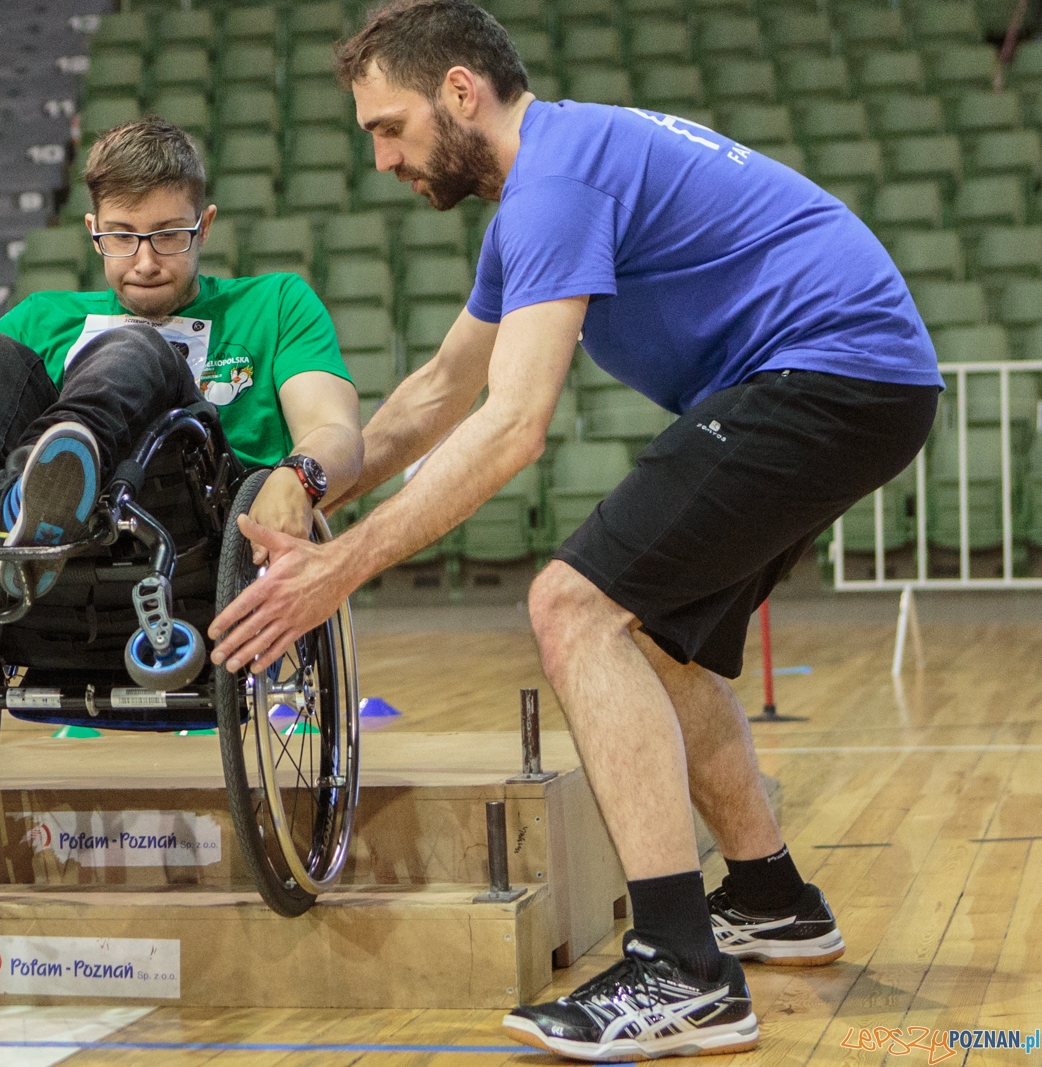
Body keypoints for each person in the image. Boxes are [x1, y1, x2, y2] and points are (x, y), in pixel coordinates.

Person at [207, 1, 942, 1060]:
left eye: (389, 127)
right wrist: (307, 474)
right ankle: (773, 897)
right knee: (646, 632)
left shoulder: (556, 183)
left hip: (828, 376)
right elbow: (440, 389)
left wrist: (341, 568)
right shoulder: (545, 185)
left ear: (460, 92)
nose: (381, 160)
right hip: (850, 382)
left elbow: (511, 426)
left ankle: (684, 970)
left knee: (570, 605)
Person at [0, 117, 362, 667]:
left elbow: (334, 429)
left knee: (137, 345)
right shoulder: (43, 317)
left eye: (169, 235)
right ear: (93, 228)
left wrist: (301, 474)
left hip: (192, 539)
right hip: (42, 581)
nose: (145, 263)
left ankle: (39, 493)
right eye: (121, 237)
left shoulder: (276, 303)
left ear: (206, 226)